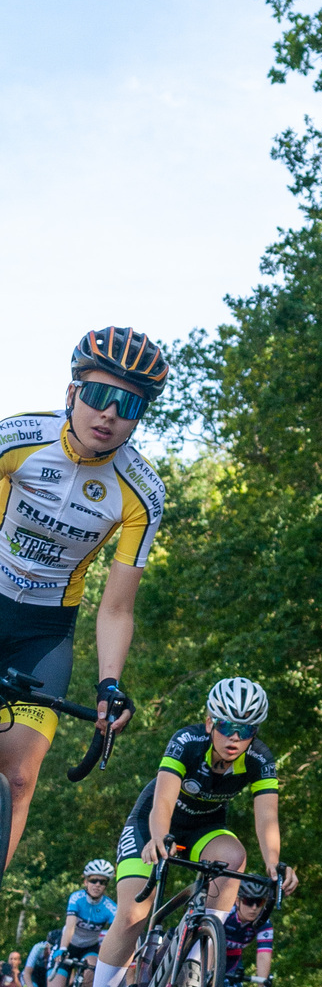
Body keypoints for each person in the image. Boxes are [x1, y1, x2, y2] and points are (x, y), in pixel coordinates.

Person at [69, 676, 298, 987]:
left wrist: (274, 865)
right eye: (227, 726)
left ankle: (194, 959)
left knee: (234, 858)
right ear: (210, 721)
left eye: (245, 731)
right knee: (133, 914)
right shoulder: (186, 741)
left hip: (205, 830)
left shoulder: (261, 759)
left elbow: (267, 821)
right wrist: (158, 840)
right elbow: (163, 800)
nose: (234, 738)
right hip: (152, 824)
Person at [0, 327, 168, 868]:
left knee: (20, 775)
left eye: (129, 405)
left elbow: (116, 607)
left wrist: (110, 685)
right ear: (73, 394)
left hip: (45, 631)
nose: (110, 414)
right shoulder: (16, 439)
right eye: (99, 395)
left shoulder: (141, 491)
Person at [15, 860, 115, 987]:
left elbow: (113, 937)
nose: (98, 885)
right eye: (94, 880)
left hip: (89, 948)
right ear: (86, 881)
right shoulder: (76, 898)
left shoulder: (110, 907)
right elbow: (69, 927)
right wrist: (61, 949)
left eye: (103, 882)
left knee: (93, 970)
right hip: (68, 946)